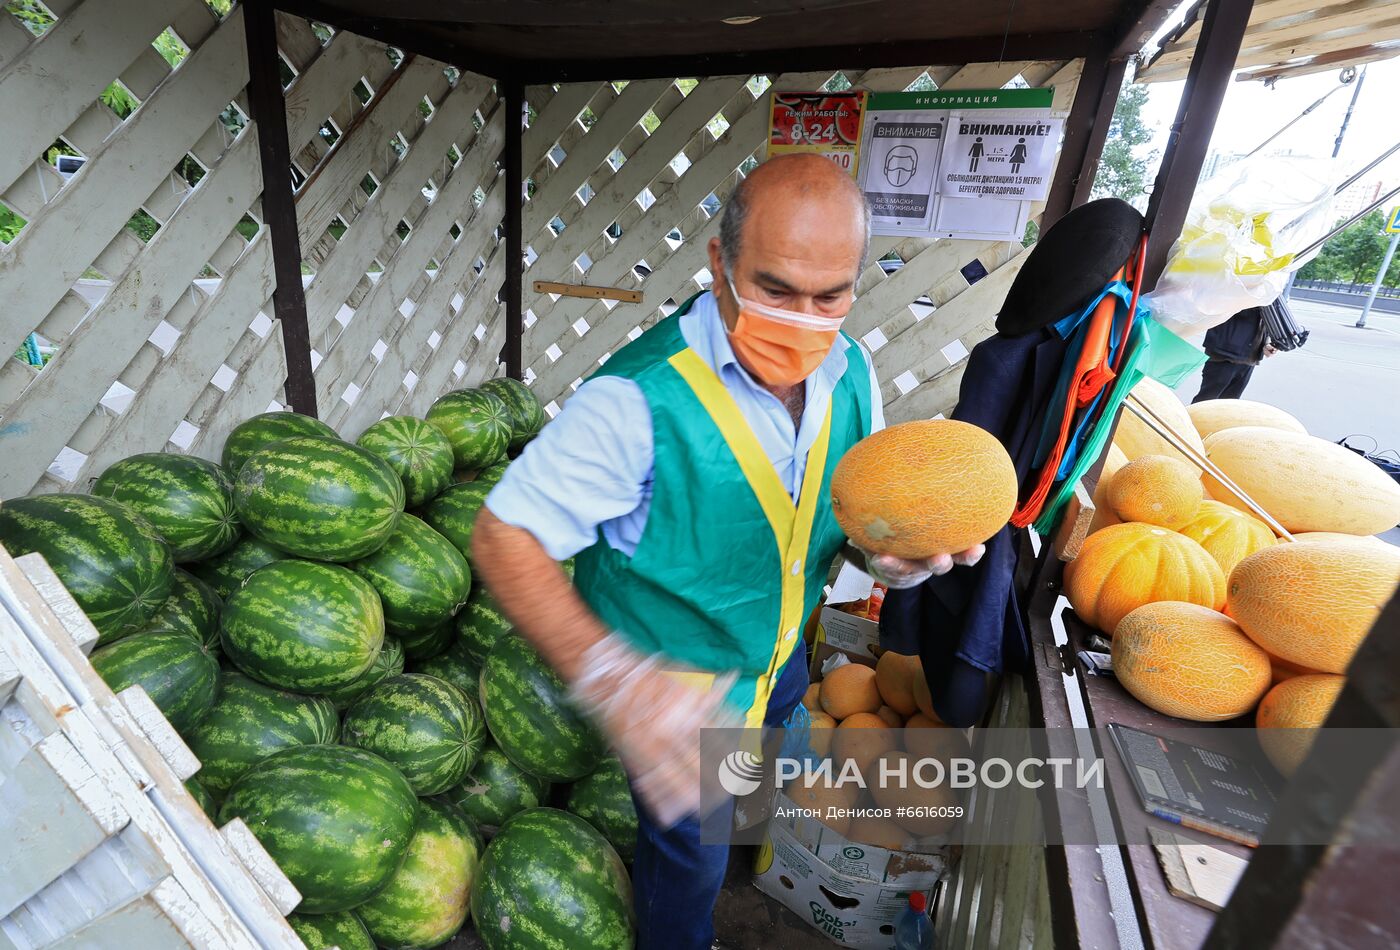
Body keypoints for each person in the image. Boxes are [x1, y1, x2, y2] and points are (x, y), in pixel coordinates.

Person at [472, 154, 984, 950]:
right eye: (776, 289)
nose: (805, 319)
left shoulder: (851, 371)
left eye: (831, 295)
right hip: (679, 694)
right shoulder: (634, 400)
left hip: (778, 663)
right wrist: (617, 682)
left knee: (756, 789)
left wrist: (890, 560)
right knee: (691, 864)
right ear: (721, 263)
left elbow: (837, 514)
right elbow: (504, 537)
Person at [1193, 303, 1276, 402]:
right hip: (1224, 353)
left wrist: (1267, 342)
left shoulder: (1268, 290)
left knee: (1230, 406)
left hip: (1249, 357)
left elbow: (1267, 316)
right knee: (1205, 403)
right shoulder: (1246, 290)